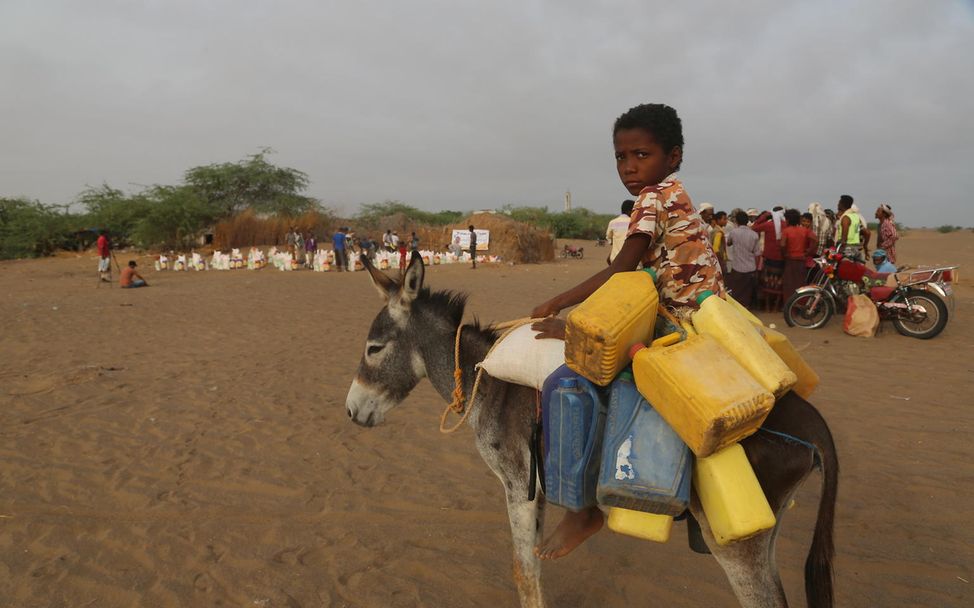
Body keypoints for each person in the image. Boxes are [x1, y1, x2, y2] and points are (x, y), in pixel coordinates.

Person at [529, 103, 723, 560]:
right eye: (621, 157)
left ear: (672, 156)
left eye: (642, 155)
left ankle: (581, 510)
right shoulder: (680, 194)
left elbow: (621, 271)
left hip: (675, 326)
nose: (629, 167)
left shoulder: (653, 198)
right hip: (708, 317)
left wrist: (561, 308)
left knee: (566, 383)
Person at [726, 211, 761, 308]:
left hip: (737, 267)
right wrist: (757, 269)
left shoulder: (734, 232)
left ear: (736, 221)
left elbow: (728, 243)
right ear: (747, 221)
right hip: (750, 267)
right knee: (747, 292)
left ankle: (737, 309)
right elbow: (757, 253)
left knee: (736, 291)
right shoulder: (754, 234)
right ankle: (746, 309)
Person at [780, 209, 816, 301]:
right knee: (800, 284)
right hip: (801, 260)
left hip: (790, 260)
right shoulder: (804, 230)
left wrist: (785, 254)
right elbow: (815, 240)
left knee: (789, 285)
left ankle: (789, 306)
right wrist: (808, 252)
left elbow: (783, 244)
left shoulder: (786, 231)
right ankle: (800, 304)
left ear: (788, 220)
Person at [751, 207, 786, 301]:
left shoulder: (768, 225)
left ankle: (767, 306)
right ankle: (777, 306)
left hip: (769, 258)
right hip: (782, 259)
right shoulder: (786, 225)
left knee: (767, 283)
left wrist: (764, 216)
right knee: (779, 284)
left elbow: (753, 227)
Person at [835, 195, 865, 261]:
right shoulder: (856, 216)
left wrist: (842, 243)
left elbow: (845, 232)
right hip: (856, 247)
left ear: (842, 204)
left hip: (847, 247)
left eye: (839, 202)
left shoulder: (845, 217)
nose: (837, 204)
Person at [605, 199, 635, 264]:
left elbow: (609, 238)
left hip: (614, 258)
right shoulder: (634, 223)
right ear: (631, 211)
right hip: (631, 259)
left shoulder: (613, 222)